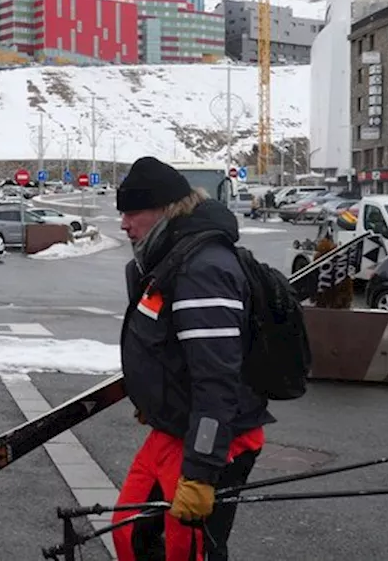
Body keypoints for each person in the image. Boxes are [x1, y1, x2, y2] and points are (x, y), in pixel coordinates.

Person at [113, 157, 273, 561]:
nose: (123, 224)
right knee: (130, 533)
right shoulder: (171, 258)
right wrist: (155, 398)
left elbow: (217, 380)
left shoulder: (203, 270)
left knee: (187, 551)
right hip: (172, 430)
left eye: (132, 212)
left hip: (215, 440)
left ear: (166, 210)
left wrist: (201, 472)